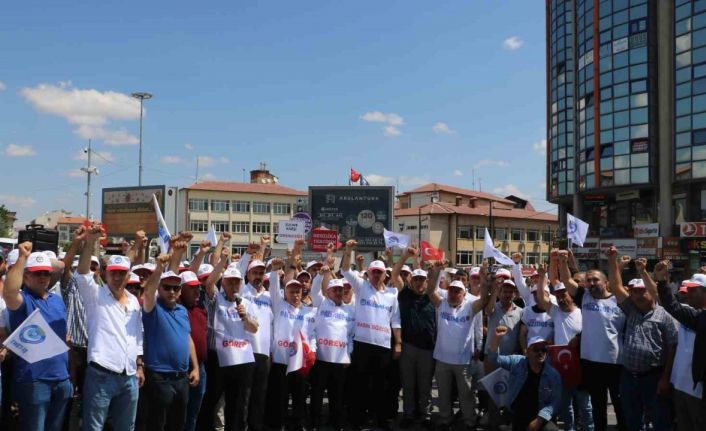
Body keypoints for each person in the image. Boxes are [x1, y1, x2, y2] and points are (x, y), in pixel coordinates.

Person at [77, 223, 145, 431]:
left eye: (121, 273)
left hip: (129, 376)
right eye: (113, 272)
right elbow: (82, 274)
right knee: (94, 427)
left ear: (128, 275)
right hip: (101, 375)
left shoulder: (134, 300)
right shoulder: (95, 296)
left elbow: (137, 336)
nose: (117, 277)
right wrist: (90, 242)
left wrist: (140, 365)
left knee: (127, 427)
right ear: (106, 274)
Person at [606, 248, 677, 431]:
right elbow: (615, 286)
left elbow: (672, 347)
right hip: (629, 376)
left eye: (641, 291)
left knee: (660, 421)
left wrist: (665, 377)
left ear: (651, 292)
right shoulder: (631, 309)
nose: (636, 295)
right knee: (632, 420)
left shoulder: (665, 314)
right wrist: (612, 259)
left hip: (654, 377)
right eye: (633, 291)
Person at [4, 243, 71, 431]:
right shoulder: (23, 300)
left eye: (46, 273)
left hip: (61, 378)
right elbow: (9, 292)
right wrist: (22, 258)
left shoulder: (57, 300)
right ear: (26, 276)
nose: (43, 277)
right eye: (37, 273)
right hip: (34, 380)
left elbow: (64, 338)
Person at [558, 250, 625, 431]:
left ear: (606, 282)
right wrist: (563, 262)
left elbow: (618, 282)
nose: (592, 283)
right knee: (598, 407)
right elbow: (567, 281)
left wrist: (612, 260)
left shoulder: (619, 300)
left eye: (596, 280)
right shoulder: (584, 296)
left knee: (620, 406)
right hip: (591, 363)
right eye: (589, 280)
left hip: (615, 363)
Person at [341, 240, 402, 430]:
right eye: (373, 272)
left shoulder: (392, 294)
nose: (376, 275)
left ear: (385, 275)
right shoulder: (361, 287)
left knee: (381, 386)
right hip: (362, 344)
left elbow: (395, 320)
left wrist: (398, 343)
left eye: (380, 272)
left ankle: (380, 419)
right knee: (360, 385)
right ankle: (357, 420)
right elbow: (344, 270)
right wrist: (349, 250)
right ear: (368, 273)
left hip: (383, 346)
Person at [199, 248, 259, 431]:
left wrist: (246, 318)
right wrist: (223, 260)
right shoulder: (217, 299)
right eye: (230, 282)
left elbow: (254, 328)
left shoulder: (247, 303)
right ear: (223, 283)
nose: (234, 285)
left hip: (242, 360)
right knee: (212, 400)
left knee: (238, 403)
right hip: (219, 359)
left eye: (237, 282)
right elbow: (209, 284)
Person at [141, 254, 200, 431]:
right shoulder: (152, 307)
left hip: (182, 377)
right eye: (167, 287)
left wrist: (195, 367)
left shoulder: (182, 310)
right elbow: (148, 292)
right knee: (156, 424)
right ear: (159, 288)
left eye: (176, 288)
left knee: (177, 425)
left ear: (180, 291)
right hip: (159, 377)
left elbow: (188, 338)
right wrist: (160, 267)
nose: (172, 291)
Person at [427, 261, 487, 431]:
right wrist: (438, 270)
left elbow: (484, 299)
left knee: (466, 394)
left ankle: (469, 421)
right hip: (442, 359)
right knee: (444, 393)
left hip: (462, 360)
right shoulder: (442, 304)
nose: (453, 294)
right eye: (451, 290)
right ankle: (445, 418)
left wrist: (483, 278)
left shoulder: (470, 306)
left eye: (457, 291)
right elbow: (430, 290)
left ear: (463, 293)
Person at [534, 261, 592, 431]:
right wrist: (542, 276)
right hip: (561, 367)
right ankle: (569, 428)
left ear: (571, 294)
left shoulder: (583, 311)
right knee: (565, 405)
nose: (560, 298)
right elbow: (541, 297)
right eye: (558, 296)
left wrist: (579, 338)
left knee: (585, 404)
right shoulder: (556, 312)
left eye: (563, 294)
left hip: (581, 365)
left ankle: (589, 428)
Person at [266, 248, 317, 431]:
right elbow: (273, 288)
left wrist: (313, 351)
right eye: (291, 291)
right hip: (281, 361)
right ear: (285, 292)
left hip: (300, 362)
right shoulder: (280, 306)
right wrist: (274, 271)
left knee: (299, 396)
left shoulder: (308, 311)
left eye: (298, 291)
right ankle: (277, 424)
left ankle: (298, 424)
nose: (295, 294)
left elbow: (311, 335)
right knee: (280, 397)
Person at [653, 262, 706, 429]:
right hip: (686, 386)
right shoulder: (699, 317)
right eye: (687, 290)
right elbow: (672, 306)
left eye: (693, 291)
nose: (687, 295)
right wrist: (662, 282)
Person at [390, 246, 436, 429]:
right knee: (408, 384)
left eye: (422, 280)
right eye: (416, 279)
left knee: (425, 385)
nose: (419, 283)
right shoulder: (404, 294)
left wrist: (434, 269)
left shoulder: (433, 296)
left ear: (426, 282)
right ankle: (409, 414)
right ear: (411, 280)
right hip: (408, 347)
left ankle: (425, 415)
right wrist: (405, 256)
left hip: (427, 348)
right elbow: (394, 274)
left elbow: (435, 277)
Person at [488, 326, 562, 431]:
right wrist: (496, 338)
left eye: (543, 349)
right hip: (516, 413)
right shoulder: (517, 362)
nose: (540, 352)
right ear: (527, 352)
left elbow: (554, 403)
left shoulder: (553, 375)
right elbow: (493, 359)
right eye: (536, 349)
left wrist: (539, 420)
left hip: (539, 415)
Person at [309, 272, 355, 431]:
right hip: (321, 358)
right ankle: (314, 421)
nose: (338, 292)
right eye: (334, 290)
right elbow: (314, 291)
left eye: (340, 290)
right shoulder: (321, 303)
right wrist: (320, 276)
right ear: (328, 292)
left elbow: (350, 336)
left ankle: (336, 422)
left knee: (338, 394)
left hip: (340, 360)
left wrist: (348, 354)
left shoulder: (349, 311)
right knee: (317, 393)